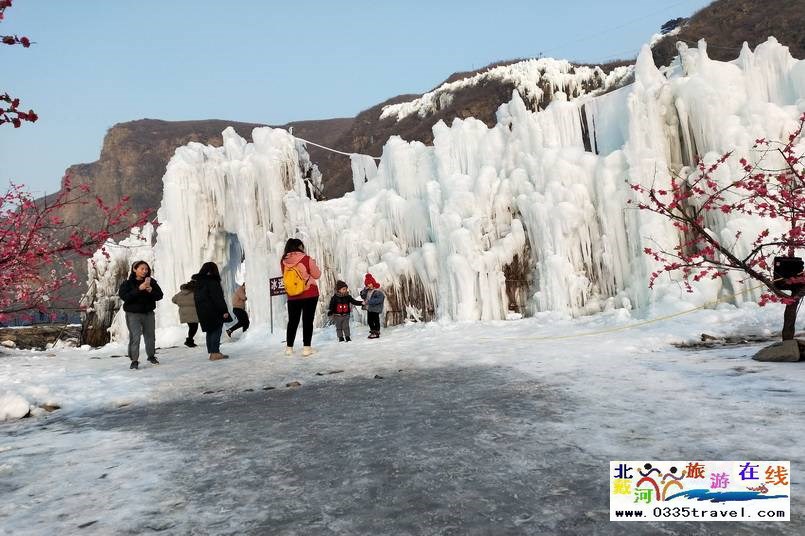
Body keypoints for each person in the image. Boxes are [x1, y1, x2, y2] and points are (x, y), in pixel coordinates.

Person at [118, 260, 164, 369]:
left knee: (150, 336)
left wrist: (151, 291)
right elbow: (124, 297)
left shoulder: (151, 282)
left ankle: (151, 356)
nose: (144, 271)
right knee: (135, 337)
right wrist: (139, 289)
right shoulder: (127, 283)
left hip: (148, 313)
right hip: (133, 314)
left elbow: (160, 295)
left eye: (146, 269)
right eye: (142, 269)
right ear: (135, 269)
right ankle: (134, 360)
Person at [281, 238, 321, 356]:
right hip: (309, 294)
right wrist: (313, 264)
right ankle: (306, 348)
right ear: (299, 247)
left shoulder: (283, 261)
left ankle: (289, 348)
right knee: (307, 320)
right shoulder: (306, 259)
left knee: (292, 321)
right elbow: (317, 275)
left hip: (292, 296)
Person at [192, 262, 231, 361]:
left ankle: (212, 352)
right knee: (216, 330)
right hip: (214, 311)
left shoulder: (198, 283)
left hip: (202, 312)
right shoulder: (212, 282)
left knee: (210, 331)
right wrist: (224, 311)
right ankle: (215, 353)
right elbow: (218, 298)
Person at [171, 280, 199, 347]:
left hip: (184, 313)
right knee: (194, 327)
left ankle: (189, 341)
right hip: (193, 313)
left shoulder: (181, 293)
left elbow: (173, 299)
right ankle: (189, 341)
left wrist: (182, 304)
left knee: (192, 327)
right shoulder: (194, 293)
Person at [360, 273, 386, 339]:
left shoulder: (378, 291)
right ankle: (373, 331)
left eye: (370, 283)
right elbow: (363, 296)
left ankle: (376, 332)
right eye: (367, 284)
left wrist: (368, 302)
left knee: (376, 320)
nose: (369, 285)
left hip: (375, 309)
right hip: (369, 308)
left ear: (373, 283)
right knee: (369, 321)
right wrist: (365, 290)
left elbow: (379, 299)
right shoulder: (367, 291)